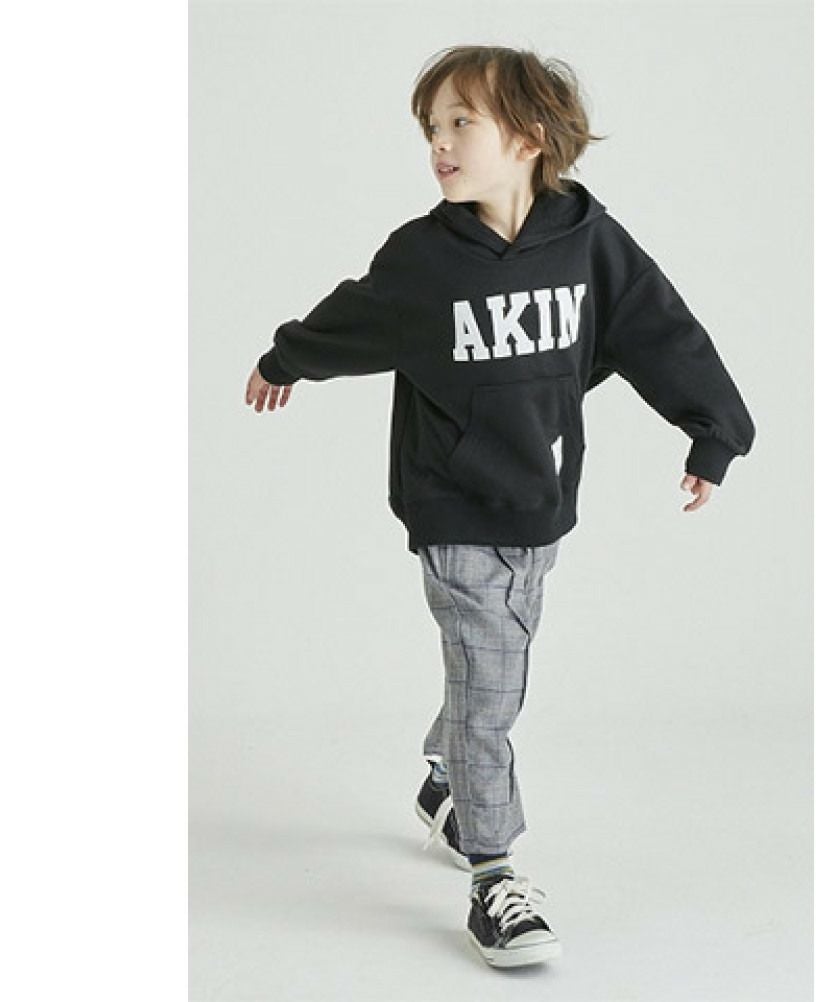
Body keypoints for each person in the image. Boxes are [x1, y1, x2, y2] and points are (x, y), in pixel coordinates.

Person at [244, 44, 755, 969]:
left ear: (529, 137)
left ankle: (445, 779)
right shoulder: (424, 258)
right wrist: (287, 359)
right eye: (430, 128)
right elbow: (354, 316)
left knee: (497, 667)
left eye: (459, 124)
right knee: (492, 687)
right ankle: (493, 873)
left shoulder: (588, 242)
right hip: (451, 501)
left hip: (540, 495)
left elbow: (659, 328)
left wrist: (713, 432)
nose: (437, 144)